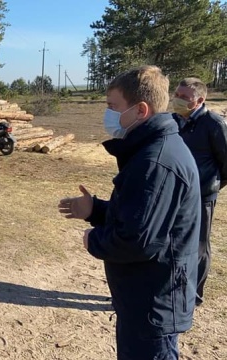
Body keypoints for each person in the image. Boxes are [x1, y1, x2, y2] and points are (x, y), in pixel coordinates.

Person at [58, 65, 200, 359]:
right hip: (145, 295)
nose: (107, 114)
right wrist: (96, 210)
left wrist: (93, 240)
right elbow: (143, 215)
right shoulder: (152, 150)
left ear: (140, 110)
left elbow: (138, 240)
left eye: (113, 106)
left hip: (153, 300)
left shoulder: (155, 162)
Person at [172, 77, 227, 306]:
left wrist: (210, 186)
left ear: (200, 100)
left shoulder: (213, 123)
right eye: (177, 94)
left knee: (199, 247)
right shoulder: (174, 120)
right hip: (175, 194)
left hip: (202, 196)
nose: (178, 100)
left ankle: (193, 296)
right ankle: (172, 289)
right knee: (173, 242)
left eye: (184, 97)